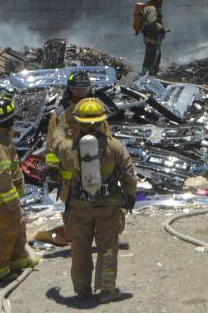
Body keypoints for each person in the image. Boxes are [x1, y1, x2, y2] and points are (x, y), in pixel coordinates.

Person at [54, 97, 137, 302]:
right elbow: (129, 174)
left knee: (80, 247)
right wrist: (130, 195)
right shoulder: (114, 146)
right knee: (107, 246)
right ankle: (107, 290)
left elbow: (55, 142)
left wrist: (63, 124)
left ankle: (82, 291)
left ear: (79, 123)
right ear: (102, 121)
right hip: (108, 205)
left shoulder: (68, 148)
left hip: (78, 206)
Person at [32, 71, 93, 247]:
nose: (81, 93)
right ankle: (75, 235)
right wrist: (52, 167)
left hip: (92, 166)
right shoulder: (60, 113)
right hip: (69, 170)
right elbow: (52, 144)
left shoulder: (94, 108)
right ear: (70, 89)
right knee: (72, 205)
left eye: (84, 89)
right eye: (77, 89)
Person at [0, 96, 38, 281]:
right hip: (2, 202)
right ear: (10, 120)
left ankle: (17, 260)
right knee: (2, 235)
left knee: (17, 229)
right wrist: (13, 201)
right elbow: (3, 178)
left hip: (4, 201)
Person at [138, 0, 167, 74]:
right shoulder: (152, 8)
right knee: (150, 56)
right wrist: (161, 29)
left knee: (156, 55)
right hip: (151, 37)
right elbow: (152, 23)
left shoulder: (155, 7)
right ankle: (145, 75)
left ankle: (152, 73)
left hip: (154, 37)